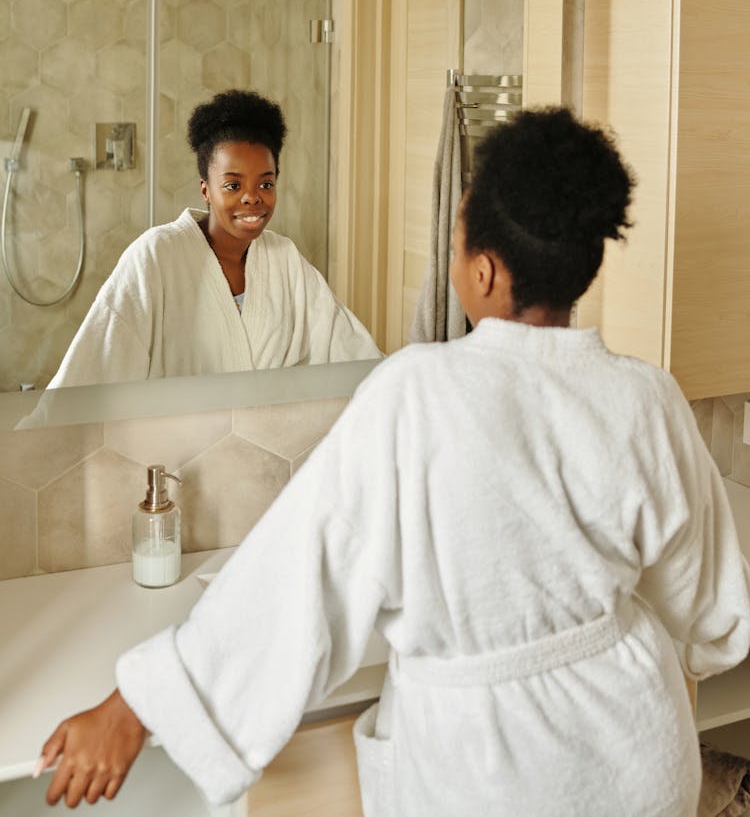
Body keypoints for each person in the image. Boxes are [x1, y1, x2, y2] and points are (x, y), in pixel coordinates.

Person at [37, 107, 750, 815]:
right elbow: (709, 605)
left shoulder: (417, 392)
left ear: (484, 268)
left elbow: (295, 582)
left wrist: (135, 705)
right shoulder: (646, 394)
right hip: (640, 759)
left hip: (493, 777)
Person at [47, 89, 379, 387]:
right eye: (233, 185)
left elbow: (348, 348)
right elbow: (94, 365)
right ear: (205, 189)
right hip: (176, 450)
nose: (252, 198)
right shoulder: (156, 255)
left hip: (269, 446)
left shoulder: (284, 257)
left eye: (265, 183)